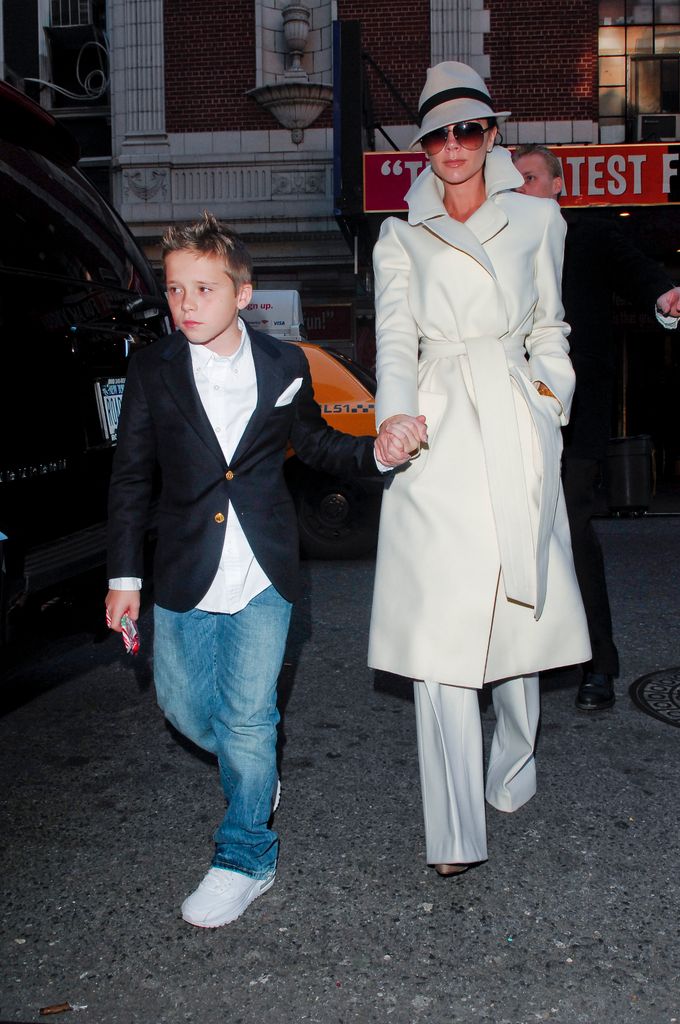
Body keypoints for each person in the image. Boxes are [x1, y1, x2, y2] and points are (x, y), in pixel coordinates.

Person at [105, 212, 401, 928]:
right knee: (182, 707)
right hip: (182, 569)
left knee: (246, 717)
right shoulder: (153, 368)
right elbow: (131, 478)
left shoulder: (285, 366)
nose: (185, 305)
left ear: (243, 293)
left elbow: (321, 445)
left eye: (203, 289)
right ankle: (255, 773)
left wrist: (380, 456)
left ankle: (245, 856)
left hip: (266, 571)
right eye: (175, 290)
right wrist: (123, 578)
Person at [368, 61, 591, 877]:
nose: (454, 145)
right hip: (435, 432)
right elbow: (394, 338)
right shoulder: (399, 236)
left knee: (515, 616)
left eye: (469, 128)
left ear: (491, 133)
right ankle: (454, 835)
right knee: (439, 636)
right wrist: (396, 417)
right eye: (438, 132)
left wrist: (547, 400)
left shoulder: (536, 219)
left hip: (512, 418)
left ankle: (514, 763)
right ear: (423, 145)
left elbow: (551, 326)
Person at [512, 144, 680, 711]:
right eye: (513, 181)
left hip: (577, 416)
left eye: (531, 178)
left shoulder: (587, 235)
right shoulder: (501, 245)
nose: (521, 188)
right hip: (513, 413)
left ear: (557, 183)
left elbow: (638, 270)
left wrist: (664, 294)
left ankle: (597, 663)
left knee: (574, 530)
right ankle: (517, 663)